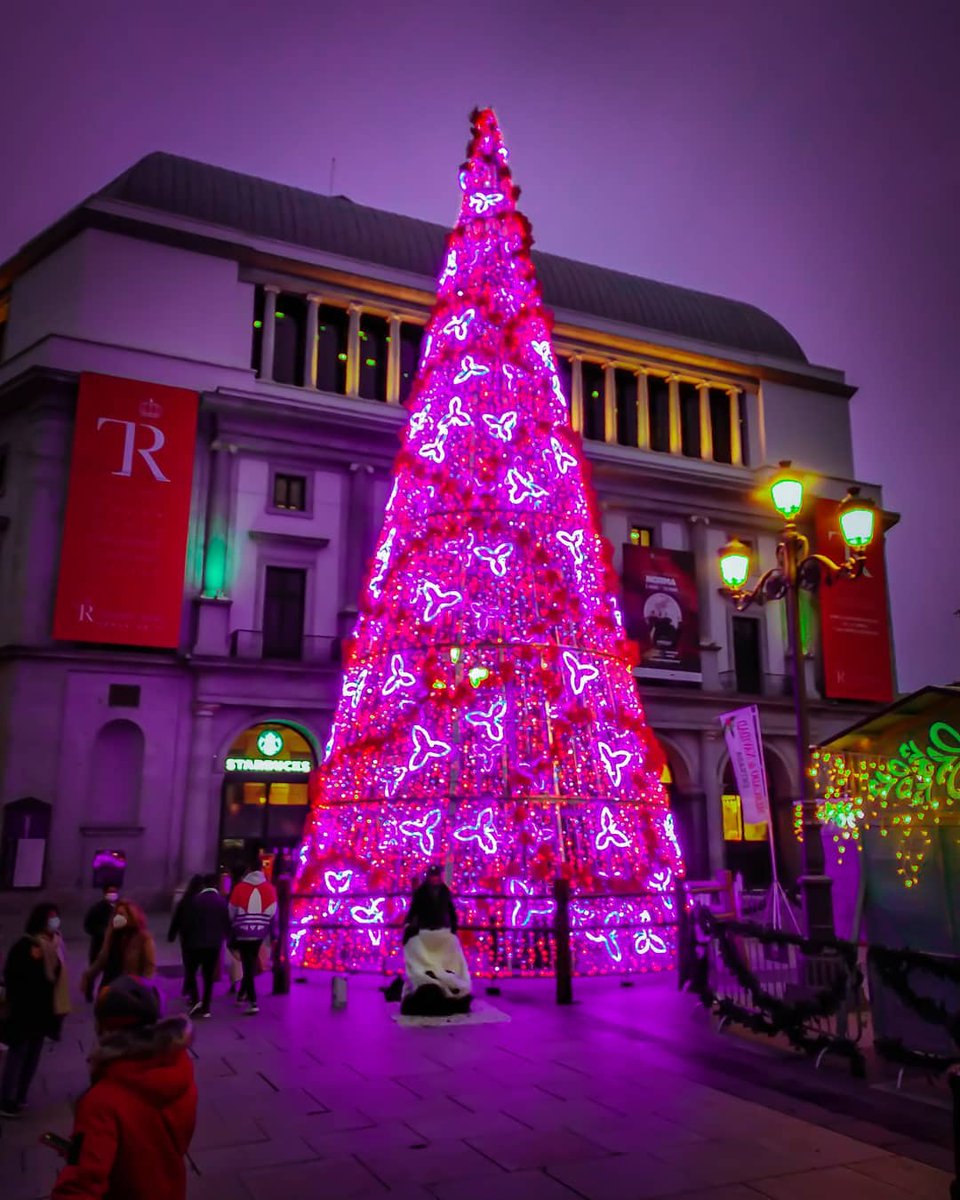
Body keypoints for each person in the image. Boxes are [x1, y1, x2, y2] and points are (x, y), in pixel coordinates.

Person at [50, 975, 197, 1199]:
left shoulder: (102, 1101)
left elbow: (82, 1184)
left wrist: (85, 1147)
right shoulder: (178, 1067)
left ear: (103, 1030)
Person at [1, 902, 72, 1117]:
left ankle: (21, 1095)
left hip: (44, 1010)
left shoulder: (57, 943)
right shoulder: (25, 945)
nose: (54, 921)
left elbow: (58, 975)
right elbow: (12, 975)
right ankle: (6, 1099)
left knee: (33, 1055)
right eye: (50, 917)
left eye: (56, 916)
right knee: (18, 1054)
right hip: (24, 1010)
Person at [400, 865, 471, 1016]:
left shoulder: (444, 891)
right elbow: (414, 908)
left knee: (450, 949)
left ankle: (446, 976)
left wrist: (453, 925)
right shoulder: (421, 892)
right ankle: (430, 974)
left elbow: (450, 909)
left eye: (436, 876)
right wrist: (409, 922)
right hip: (426, 928)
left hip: (440, 928)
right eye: (432, 876)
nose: (434, 879)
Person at [228, 853, 277, 1016]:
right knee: (251, 962)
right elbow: (272, 911)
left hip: (242, 931)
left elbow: (231, 911)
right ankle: (243, 994)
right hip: (259, 932)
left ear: (248, 870)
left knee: (247, 965)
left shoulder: (239, 888)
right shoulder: (269, 888)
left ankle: (252, 1000)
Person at [181, 874, 231, 1017]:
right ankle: (206, 1007)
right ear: (215, 885)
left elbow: (188, 922)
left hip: (195, 943)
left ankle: (196, 999)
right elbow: (226, 922)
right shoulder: (221, 902)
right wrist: (226, 938)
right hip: (214, 944)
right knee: (208, 976)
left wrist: (186, 939)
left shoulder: (196, 900)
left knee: (191, 972)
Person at [82, 901, 156, 996]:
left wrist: (143, 989)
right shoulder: (112, 935)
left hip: (130, 989)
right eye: (116, 914)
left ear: (131, 917)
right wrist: (88, 975)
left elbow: (149, 967)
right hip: (109, 986)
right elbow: (102, 959)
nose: (117, 917)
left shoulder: (143, 938)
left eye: (121, 914)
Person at [82, 884, 120, 1002]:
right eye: (110, 892)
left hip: (113, 947)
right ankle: (89, 990)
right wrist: (102, 932)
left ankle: (104, 994)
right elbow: (88, 926)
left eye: (115, 892)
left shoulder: (119, 908)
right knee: (94, 970)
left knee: (110, 972)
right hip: (98, 946)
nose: (113, 895)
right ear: (104, 894)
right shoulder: (97, 909)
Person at [167, 875, 202, 1001]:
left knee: (189, 966)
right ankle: (190, 990)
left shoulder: (185, 900)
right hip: (199, 937)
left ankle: (190, 990)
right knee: (193, 966)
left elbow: (177, 919)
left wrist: (172, 934)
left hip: (187, 938)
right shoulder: (201, 901)